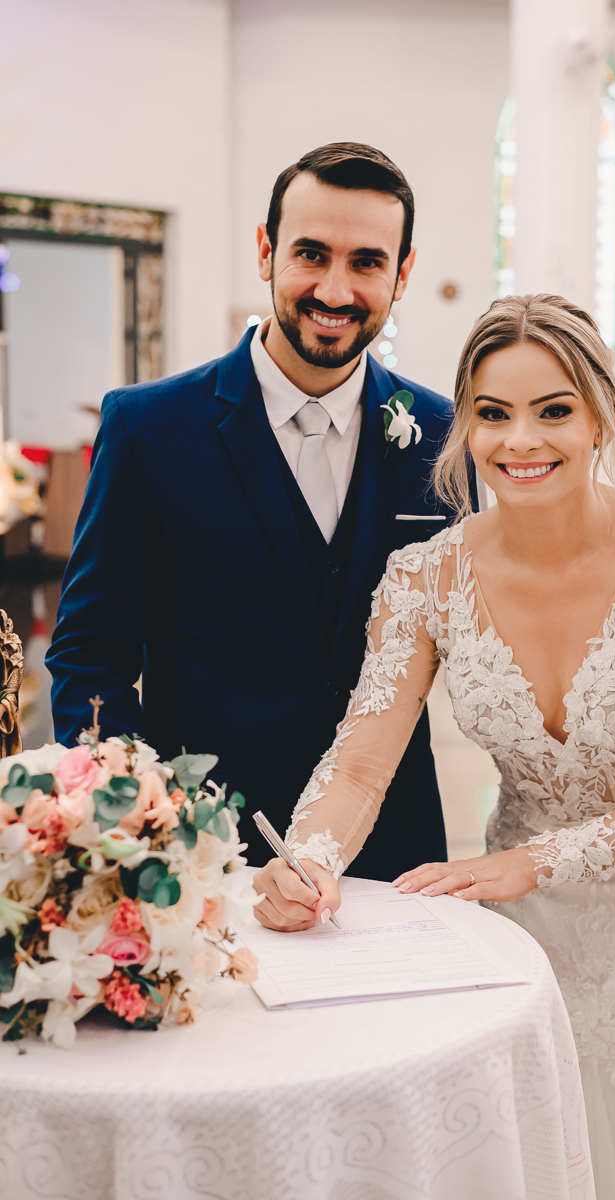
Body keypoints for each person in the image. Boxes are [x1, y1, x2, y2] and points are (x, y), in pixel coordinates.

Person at [256, 294, 615, 1199]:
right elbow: (360, 762)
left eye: (554, 410)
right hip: (534, 929)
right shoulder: (424, 576)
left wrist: (536, 861)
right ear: (464, 424)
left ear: (600, 417)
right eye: (493, 413)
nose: (521, 441)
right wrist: (307, 859)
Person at [46, 142, 472, 876]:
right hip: (201, 852)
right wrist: (134, 818)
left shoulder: (443, 435)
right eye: (311, 254)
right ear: (265, 251)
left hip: (392, 855)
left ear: (402, 274)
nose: (335, 291)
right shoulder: (149, 429)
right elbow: (90, 654)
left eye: (367, 262)